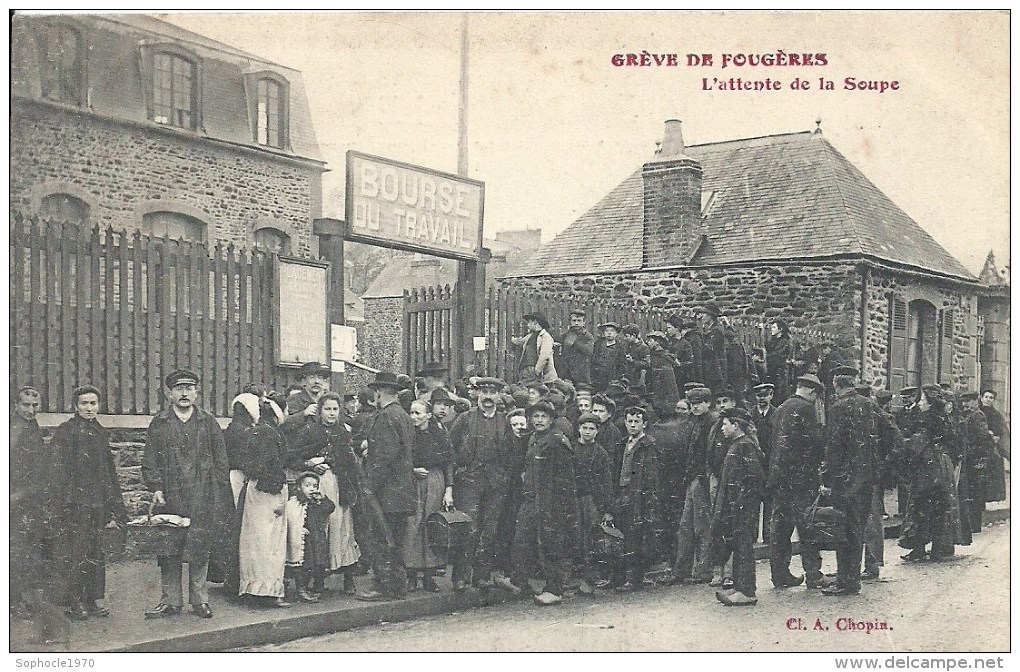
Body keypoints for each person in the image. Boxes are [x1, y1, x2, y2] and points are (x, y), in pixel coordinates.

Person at [143, 369, 232, 620]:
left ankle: (200, 601)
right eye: (178, 389)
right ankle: (170, 601)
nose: (184, 393)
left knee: (199, 548)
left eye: (189, 388)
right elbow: (150, 460)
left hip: (202, 494)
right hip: (170, 494)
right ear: (169, 393)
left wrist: (218, 490)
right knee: (169, 548)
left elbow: (221, 460)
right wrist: (156, 488)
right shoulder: (159, 424)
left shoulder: (208, 422)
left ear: (196, 392)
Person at [51, 385, 127, 619]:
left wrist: (114, 503)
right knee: (75, 551)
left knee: (95, 552)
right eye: (84, 403)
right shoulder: (66, 432)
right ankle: (74, 601)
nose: (89, 408)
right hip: (74, 504)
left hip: (97, 504)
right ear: (75, 406)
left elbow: (108, 471)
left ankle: (92, 598)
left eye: (93, 403)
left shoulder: (99, 432)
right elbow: (57, 471)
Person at [289, 392, 362, 594]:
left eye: (335, 409)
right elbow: (292, 457)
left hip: (340, 486)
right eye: (327, 409)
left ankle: (348, 578)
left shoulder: (343, 433)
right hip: (318, 485)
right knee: (320, 529)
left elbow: (351, 463)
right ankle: (319, 579)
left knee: (343, 529)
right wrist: (309, 464)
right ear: (319, 411)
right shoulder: (309, 431)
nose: (331, 413)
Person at [509, 400, 578, 605]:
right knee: (521, 540)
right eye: (536, 416)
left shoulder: (556, 441)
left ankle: (554, 589)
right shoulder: (532, 439)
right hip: (531, 499)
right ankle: (521, 583)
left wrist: (559, 505)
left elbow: (566, 478)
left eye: (543, 416)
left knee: (549, 543)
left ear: (551, 419)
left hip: (551, 502)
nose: (539, 420)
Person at [819, 368, 879, 596]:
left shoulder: (838, 407)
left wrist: (827, 478)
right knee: (857, 529)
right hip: (865, 478)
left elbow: (834, 447)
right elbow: (886, 434)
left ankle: (845, 581)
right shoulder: (868, 404)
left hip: (845, 479)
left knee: (843, 530)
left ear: (836, 385)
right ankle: (851, 579)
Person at [356, 371, 416, 602]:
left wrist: (370, 486)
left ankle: (385, 585)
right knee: (395, 538)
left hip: (386, 491)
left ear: (379, 392)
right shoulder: (402, 415)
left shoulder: (386, 417)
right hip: (401, 489)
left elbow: (384, 457)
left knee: (382, 538)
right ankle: (397, 584)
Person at [449, 377, 512, 590]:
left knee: (490, 530)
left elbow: (512, 453)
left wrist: (503, 475)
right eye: (483, 392)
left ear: (498, 396)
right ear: (477, 395)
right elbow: (451, 449)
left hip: (495, 484)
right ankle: (460, 576)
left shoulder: (505, 421)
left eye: (492, 392)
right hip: (469, 482)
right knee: (469, 528)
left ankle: (481, 575)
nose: (487, 397)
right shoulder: (464, 419)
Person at [767, 373, 827, 589]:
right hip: (800, 481)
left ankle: (780, 574)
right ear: (812, 391)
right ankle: (813, 573)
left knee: (780, 529)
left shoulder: (781, 408)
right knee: (807, 527)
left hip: (778, 479)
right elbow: (813, 444)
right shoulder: (806, 409)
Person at [237, 397, 290, 607]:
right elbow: (271, 464)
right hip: (268, 491)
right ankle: (269, 591)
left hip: (254, 490)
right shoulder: (272, 434)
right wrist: (279, 490)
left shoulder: (254, 431)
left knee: (253, 540)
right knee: (271, 542)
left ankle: (251, 588)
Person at [894, 385, 956, 563]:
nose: (920, 403)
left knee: (921, 506)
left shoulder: (926, 420)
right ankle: (935, 548)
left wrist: (904, 446)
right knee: (937, 507)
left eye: (922, 400)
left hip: (927, 468)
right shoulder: (942, 418)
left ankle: (920, 549)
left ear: (930, 402)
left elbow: (917, 444)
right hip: (939, 466)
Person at [710, 408, 765, 607]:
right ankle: (740, 587)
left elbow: (754, 479)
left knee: (744, 548)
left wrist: (742, 503)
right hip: (735, 507)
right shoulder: (737, 445)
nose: (722, 428)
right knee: (738, 546)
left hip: (743, 507)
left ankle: (747, 591)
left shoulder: (746, 446)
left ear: (736, 425)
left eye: (725, 424)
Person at [607, 406, 660, 592]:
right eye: (629, 421)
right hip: (622, 492)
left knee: (634, 536)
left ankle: (633, 578)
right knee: (621, 534)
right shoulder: (623, 444)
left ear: (644, 424)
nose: (632, 425)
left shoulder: (648, 445)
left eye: (636, 421)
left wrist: (646, 500)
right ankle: (618, 577)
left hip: (638, 494)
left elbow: (651, 477)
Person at [404, 399, 454, 592]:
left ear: (428, 415)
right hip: (413, 481)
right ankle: (411, 575)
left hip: (435, 481)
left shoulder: (439, 435)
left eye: (418, 413)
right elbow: (401, 459)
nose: (414, 417)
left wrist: (449, 489)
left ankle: (429, 577)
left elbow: (449, 462)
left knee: (431, 526)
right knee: (412, 526)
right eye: (412, 413)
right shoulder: (407, 436)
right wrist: (412, 469)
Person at [10, 386, 51, 617]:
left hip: (30, 498)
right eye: (26, 405)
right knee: (14, 550)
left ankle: (26, 599)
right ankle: (13, 601)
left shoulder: (32, 426)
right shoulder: (12, 429)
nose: (31, 410)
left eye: (35, 406)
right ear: (16, 405)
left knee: (30, 550)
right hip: (13, 499)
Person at [672, 386, 717, 584]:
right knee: (686, 525)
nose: (695, 407)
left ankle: (703, 570)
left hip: (702, 479)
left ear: (708, 403)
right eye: (692, 404)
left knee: (701, 526)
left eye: (699, 403)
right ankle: (682, 570)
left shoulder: (711, 423)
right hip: (694, 478)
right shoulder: (695, 422)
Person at [573, 413, 613, 593]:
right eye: (584, 428)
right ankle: (573, 577)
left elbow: (606, 482)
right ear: (579, 429)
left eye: (591, 429)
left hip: (591, 500)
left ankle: (590, 579)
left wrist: (606, 508)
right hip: (574, 498)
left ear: (597, 431)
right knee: (575, 537)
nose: (587, 432)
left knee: (591, 538)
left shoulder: (600, 453)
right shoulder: (571, 449)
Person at [494, 408, 532, 587]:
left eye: (522, 424)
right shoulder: (506, 443)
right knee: (505, 528)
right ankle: (504, 567)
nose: (519, 428)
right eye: (515, 425)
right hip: (507, 491)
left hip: (521, 491)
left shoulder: (529, 443)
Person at [285, 472, 337, 603]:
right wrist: (299, 528)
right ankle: (301, 589)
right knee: (305, 564)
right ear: (299, 488)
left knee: (319, 562)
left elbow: (330, 508)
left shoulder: (316, 502)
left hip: (317, 538)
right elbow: (291, 519)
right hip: (304, 540)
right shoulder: (294, 503)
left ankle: (318, 586)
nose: (312, 488)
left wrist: (323, 498)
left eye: (315, 485)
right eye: (307, 485)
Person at [960, 391, 995, 534]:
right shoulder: (969, 415)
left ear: (976, 401)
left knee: (975, 492)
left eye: (968, 401)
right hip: (970, 459)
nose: (965, 404)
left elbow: (983, 439)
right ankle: (972, 524)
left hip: (975, 460)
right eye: (964, 401)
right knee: (970, 491)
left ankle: (975, 525)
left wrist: (979, 458)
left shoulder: (978, 415)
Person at [750, 383, 777, 543]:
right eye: (759, 396)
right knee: (753, 501)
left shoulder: (777, 413)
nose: (762, 399)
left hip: (770, 464)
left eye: (765, 395)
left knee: (770, 501)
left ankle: (769, 537)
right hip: (754, 464)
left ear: (771, 395)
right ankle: (752, 538)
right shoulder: (750, 415)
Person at [978, 389, 1009, 504]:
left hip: (993, 445)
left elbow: (1001, 429)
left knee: (993, 470)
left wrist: (997, 437)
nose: (988, 399)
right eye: (986, 397)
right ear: (981, 398)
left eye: (991, 398)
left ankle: (992, 496)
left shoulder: (996, 414)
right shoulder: (978, 412)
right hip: (982, 445)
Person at [512, 313, 558, 384]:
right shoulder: (530, 336)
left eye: (529, 322)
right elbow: (520, 341)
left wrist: (537, 370)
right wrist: (512, 339)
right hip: (527, 370)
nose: (528, 325)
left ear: (535, 322)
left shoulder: (546, 336)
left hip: (538, 371)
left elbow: (545, 355)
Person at [645, 331, 681, 418]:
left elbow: (669, 381)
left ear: (657, 342)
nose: (648, 342)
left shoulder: (664, 357)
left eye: (650, 340)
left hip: (663, 390)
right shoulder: (653, 355)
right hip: (656, 389)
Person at [558, 309, 595, 385]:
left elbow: (589, 351)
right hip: (567, 372)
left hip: (581, 373)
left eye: (579, 321)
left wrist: (575, 343)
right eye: (574, 321)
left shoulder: (588, 336)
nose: (576, 323)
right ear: (570, 322)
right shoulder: (565, 335)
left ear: (583, 323)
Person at [698, 304, 727, 394]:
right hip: (712, 370)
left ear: (711, 316)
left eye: (704, 314)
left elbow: (709, 349)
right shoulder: (711, 330)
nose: (701, 316)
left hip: (715, 371)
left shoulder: (716, 331)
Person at [591, 322, 628, 393]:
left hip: (612, 379)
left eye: (612, 331)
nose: (609, 333)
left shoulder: (620, 348)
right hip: (598, 378)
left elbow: (622, 365)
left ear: (616, 333)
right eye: (607, 331)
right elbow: (592, 361)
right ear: (604, 333)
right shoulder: (598, 345)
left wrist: (618, 378)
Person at [765, 319, 793, 404]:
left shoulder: (785, 341)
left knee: (779, 393)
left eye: (774, 327)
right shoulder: (773, 340)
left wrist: (767, 356)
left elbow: (776, 356)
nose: (771, 329)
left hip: (780, 371)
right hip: (772, 370)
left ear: (780, 329)